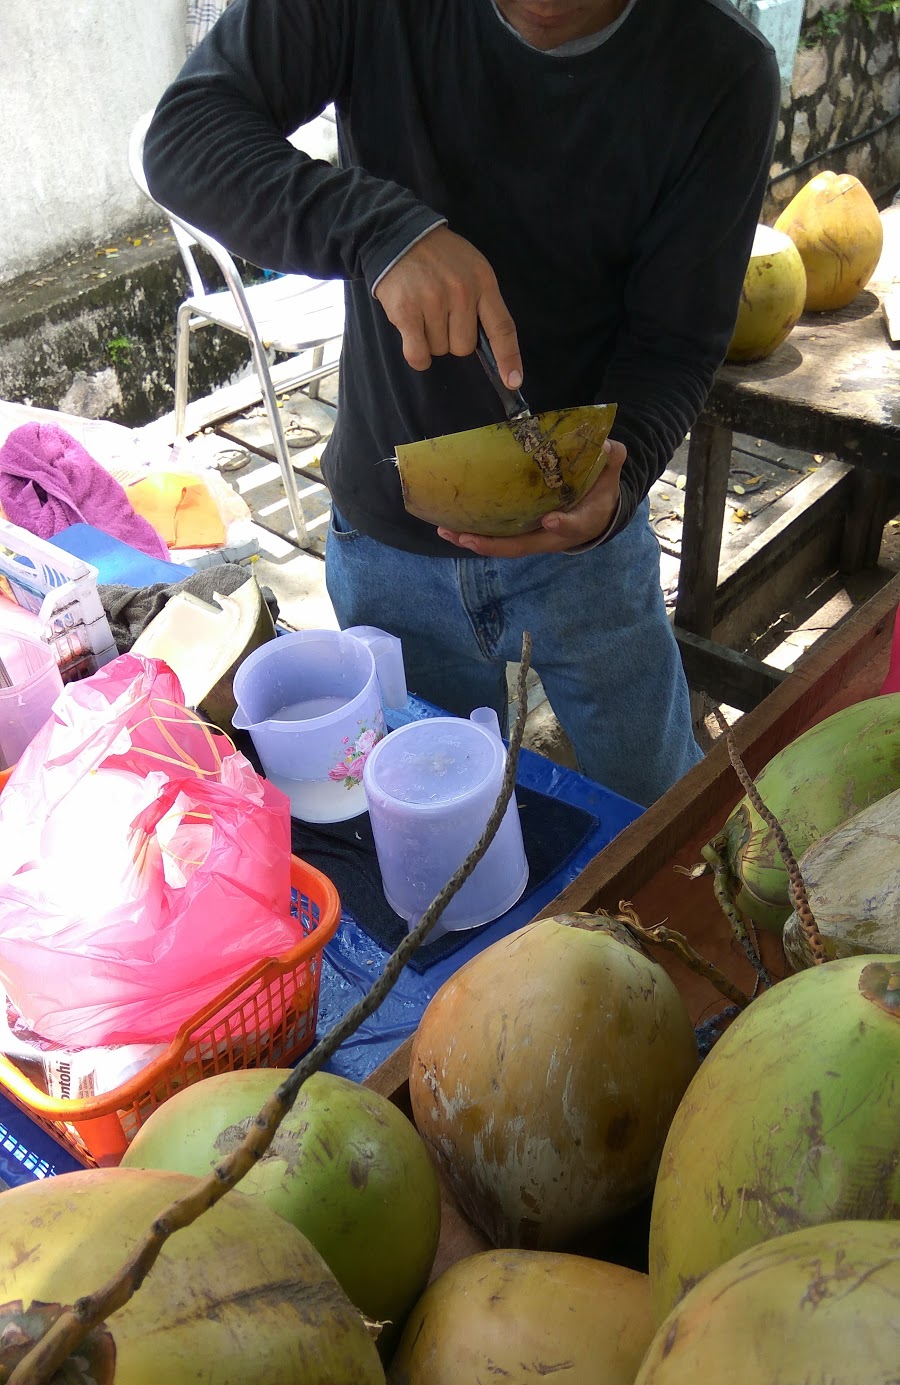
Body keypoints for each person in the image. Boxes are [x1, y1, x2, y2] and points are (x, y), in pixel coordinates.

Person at [144, 0, 780, 807]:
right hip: (389, 541)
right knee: (443, 828)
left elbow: (676, 340)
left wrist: (627, 470)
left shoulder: (720, 70)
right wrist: (373, 227)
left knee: (664, 812)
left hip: (582, 545)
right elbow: (187, 135)